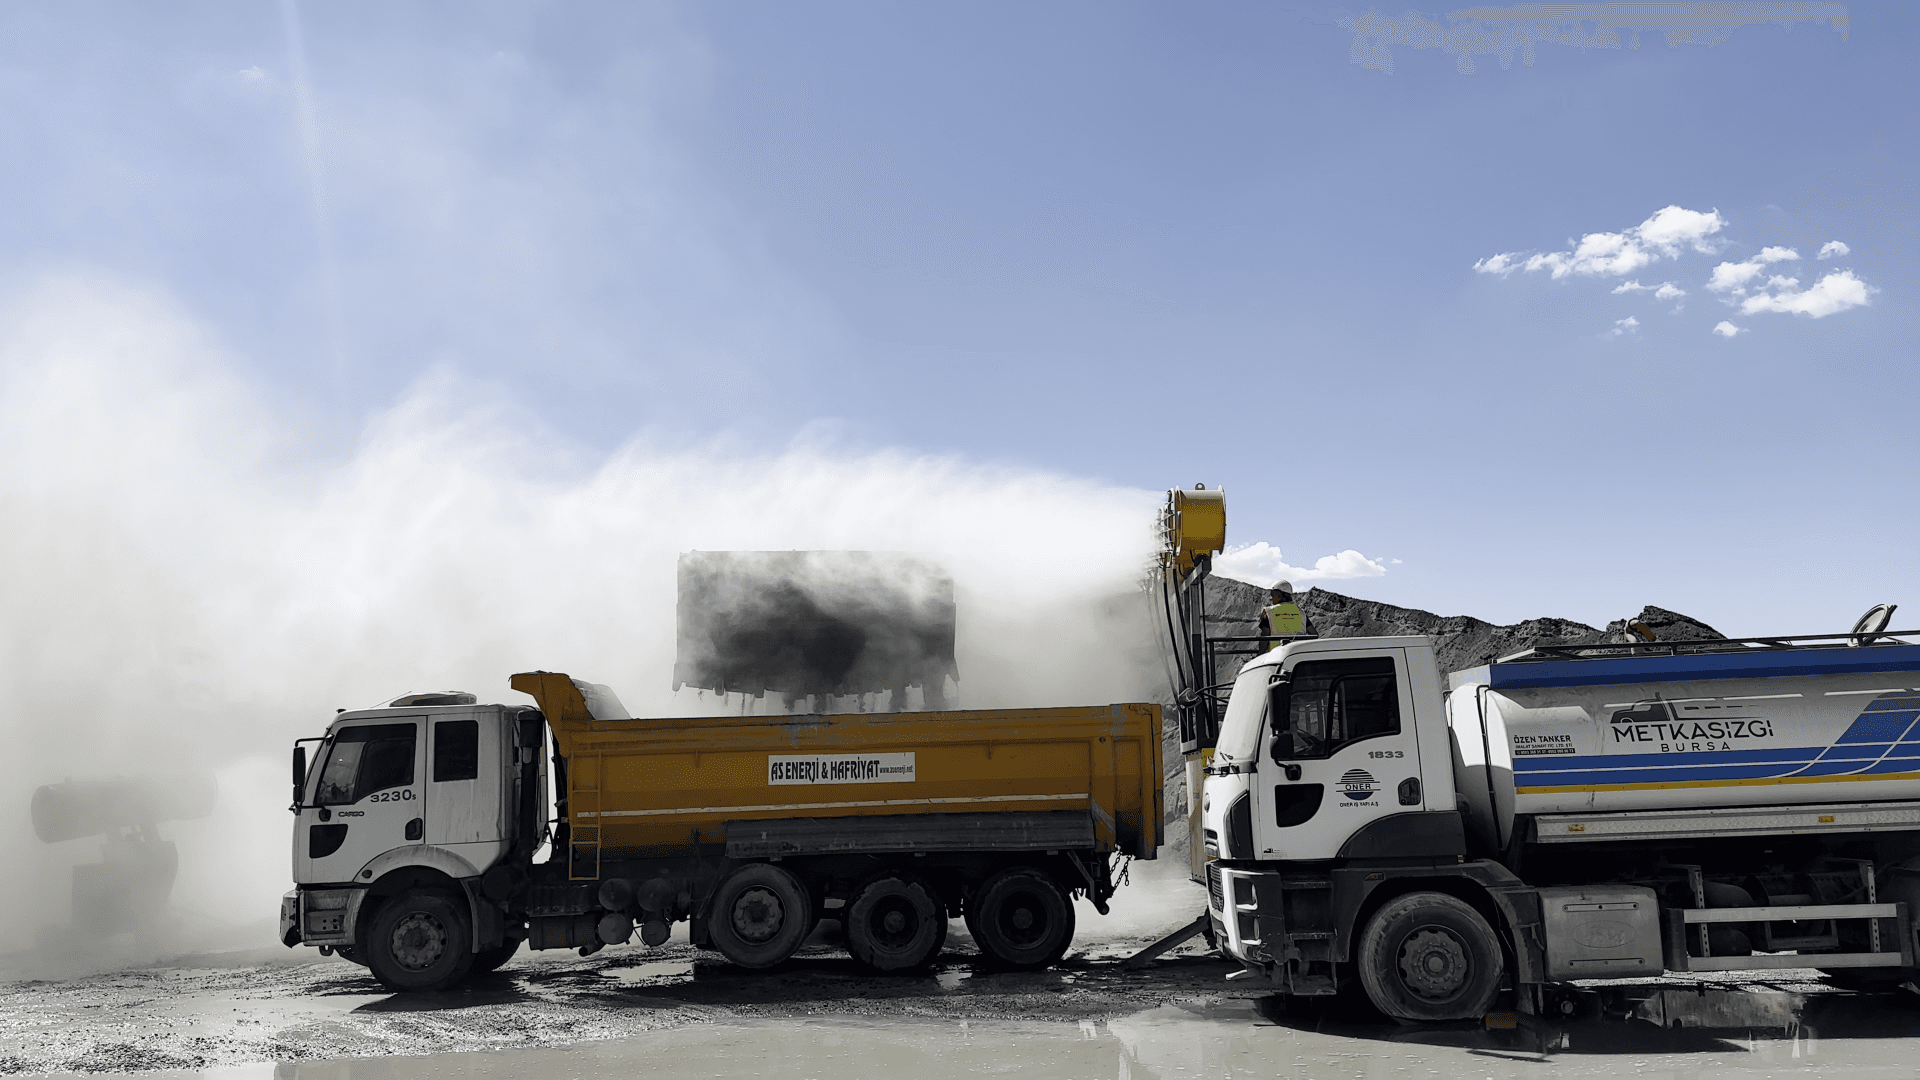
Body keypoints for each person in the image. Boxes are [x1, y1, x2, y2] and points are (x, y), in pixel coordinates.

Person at [1258, 582, 1308, 650]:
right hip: (1297, 655)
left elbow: (1264, 638)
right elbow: (1313, 635)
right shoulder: (1301, 612)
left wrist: (1259, 656)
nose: (1270, 598)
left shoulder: (1268, 612)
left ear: (1279, 595)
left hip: (1275, 655)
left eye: (1272, 594)